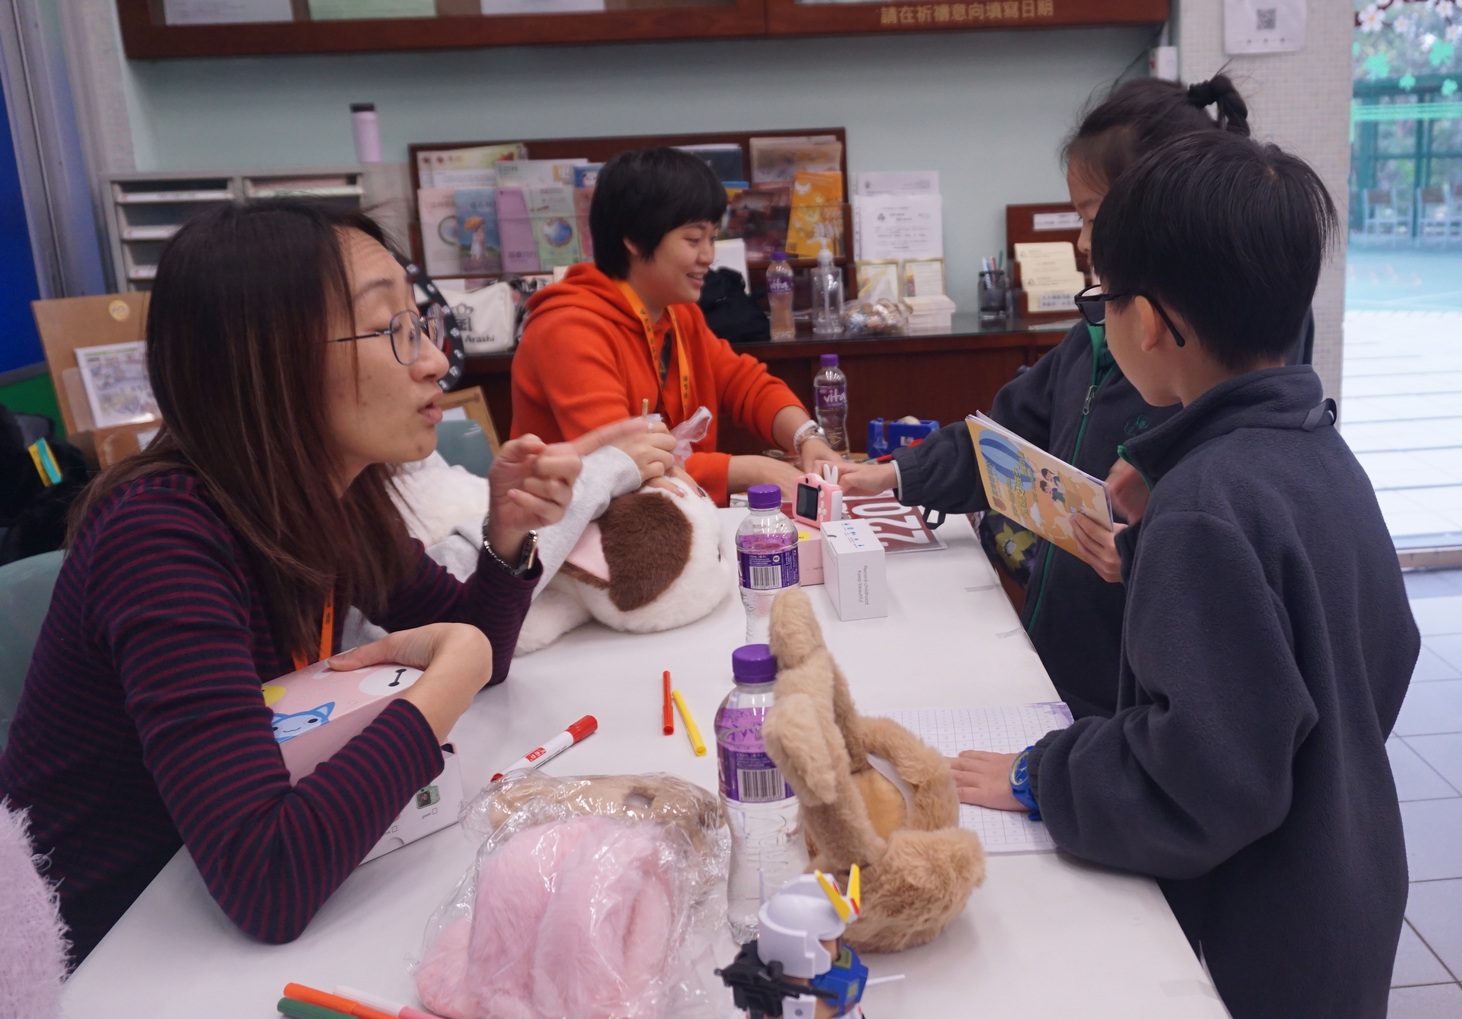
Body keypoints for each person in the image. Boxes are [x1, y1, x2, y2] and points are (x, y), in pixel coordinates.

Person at [0, 200, 676, 962]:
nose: (434, 360)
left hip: (196, 904)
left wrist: (507, 536)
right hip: (100, 953)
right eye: (393, 329)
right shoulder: (161, 537)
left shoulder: (330, 495)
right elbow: (268, 874)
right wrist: (441, 684)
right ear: (269, 360)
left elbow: (477, 649)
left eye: (420, 323)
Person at [950, 132, 1418, 1019]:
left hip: (1256, 931)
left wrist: (1042, 775)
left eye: (1103, 300)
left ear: (1154, 324)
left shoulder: (1204, 503)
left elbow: (1201, 778)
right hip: (1346, 877)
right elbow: (1380, 645)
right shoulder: (1318, 449)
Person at [837, 75, 1253, 718]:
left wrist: (1141, 540)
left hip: (1135, 693)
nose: (1083, 243)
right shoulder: (1091, 339)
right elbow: (998, 443)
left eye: (1092, 218)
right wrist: (893, 473)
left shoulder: (1220, 385)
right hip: (1060, 660)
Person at [510, 147, 845, 507]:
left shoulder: (677, 313)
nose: (708, 256)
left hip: (659, 517)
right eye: (693, 239)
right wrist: (752, 470)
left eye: (712, 238)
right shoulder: (568, 329)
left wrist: (807, 437)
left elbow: (745, 383)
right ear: (635, 239)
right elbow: (623, 463)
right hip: (568, 527)